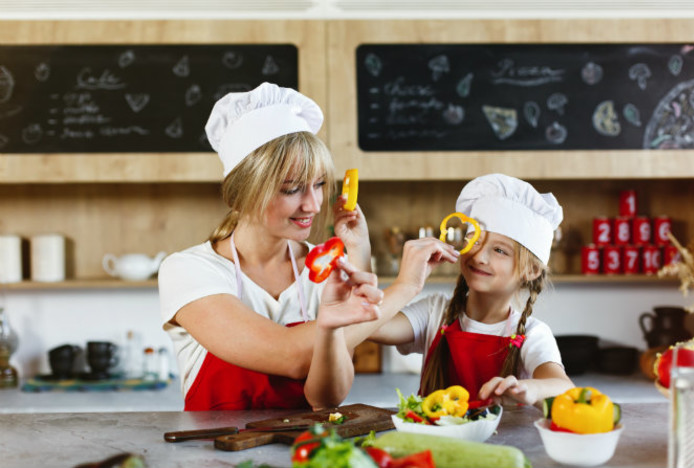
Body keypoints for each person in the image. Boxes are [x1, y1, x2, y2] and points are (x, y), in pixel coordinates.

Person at [158, 82, 385, 411]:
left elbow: (329, 398)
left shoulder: (327, 271)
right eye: (292, 189)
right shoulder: (189, 270)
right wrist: (407, 285)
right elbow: (292, 357)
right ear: (243, 193)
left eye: (319, 184)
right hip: (211, 456)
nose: (313, 205)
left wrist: (359, 255)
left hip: (305, 455)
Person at [371, 173, 574, 406]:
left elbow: (563, 388)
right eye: (474, 240)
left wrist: (529, 388)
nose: (479, 256)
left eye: (500, 250)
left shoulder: (532, 333)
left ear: (531, 271)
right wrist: (405, 285)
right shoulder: (434, 312)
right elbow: (371, 326)